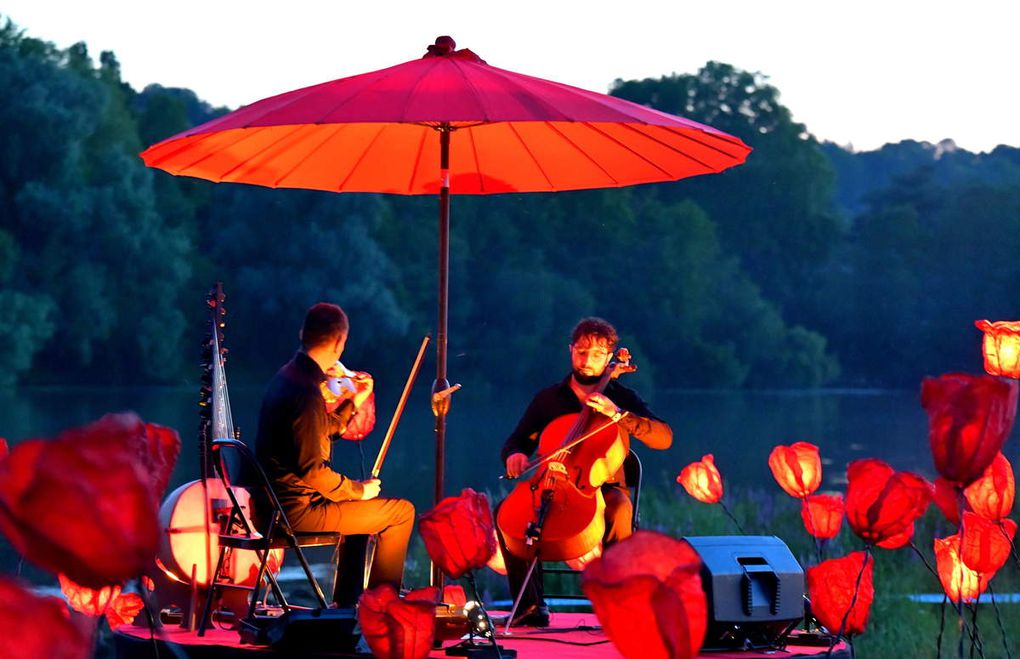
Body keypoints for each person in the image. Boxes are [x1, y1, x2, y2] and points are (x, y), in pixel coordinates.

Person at [496, 317, 673, 627]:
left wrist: (618, 415)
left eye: (596, 354)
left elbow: (664, 438)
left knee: (619, 508)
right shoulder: (548, 399)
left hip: (601, 488)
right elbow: (516, 440)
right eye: (581, 352)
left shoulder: (621, 398)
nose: (587, 360)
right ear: (570, 351)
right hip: (551, 483)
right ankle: (530, 607)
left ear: (609, 357)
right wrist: (515, 455)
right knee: (507, 512)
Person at [254, 302, 414, 607]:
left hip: (277, 504)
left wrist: (354, 402)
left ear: (303, 333)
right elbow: (312, 472)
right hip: (296, 512)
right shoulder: (306, 393)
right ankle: (381, 610)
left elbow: (321, 428)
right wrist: (357, 489)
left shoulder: (288, 377)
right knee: (400, 513)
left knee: (359, 508)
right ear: (340, 343)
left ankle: (348, 605)